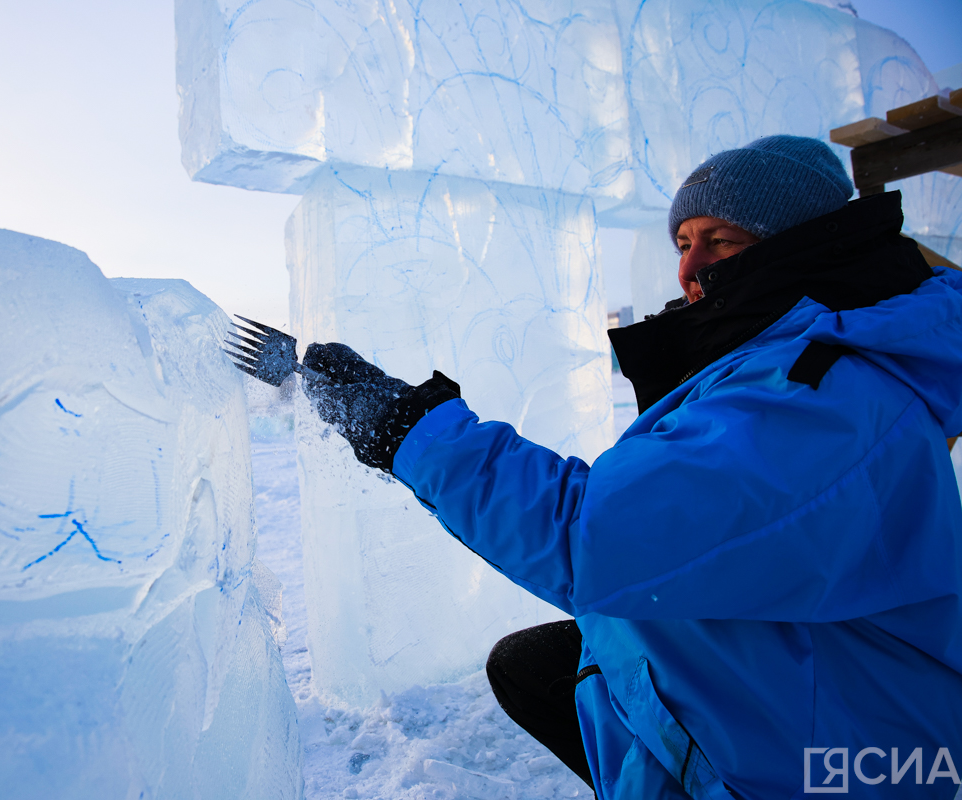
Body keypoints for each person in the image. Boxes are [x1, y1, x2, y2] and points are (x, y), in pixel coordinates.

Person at [302, 135, 962, 799]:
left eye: (722, 241)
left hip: (842, 765)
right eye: (683, 242)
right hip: (805, 674)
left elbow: (596, 538)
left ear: (800, 243)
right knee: (532, 666)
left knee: (559, 654)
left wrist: (406, 428)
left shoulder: (825, 394)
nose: (689, 268)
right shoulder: (790, 358)